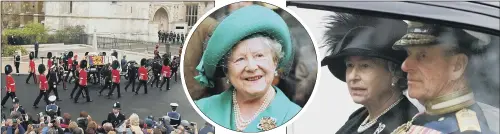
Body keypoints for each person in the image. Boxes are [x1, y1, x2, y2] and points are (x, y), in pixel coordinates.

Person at [194, 5, 301, 132]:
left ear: (275, 61)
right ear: (226, 70)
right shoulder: (202, 108)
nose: (251, 67)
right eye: (240, 59)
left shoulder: (295, 116)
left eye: (259, 56)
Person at [320, 14, 420, 134]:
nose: (352, 77)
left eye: (365, 66)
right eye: (349, 65)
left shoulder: (408, 126)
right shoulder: (359, 116)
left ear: (396, 72)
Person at [391, 21, 493, 133]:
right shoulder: (432, 118)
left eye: (423, 56)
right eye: (409, 54)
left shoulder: (462, 130)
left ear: (457, 66)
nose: (404, 66)